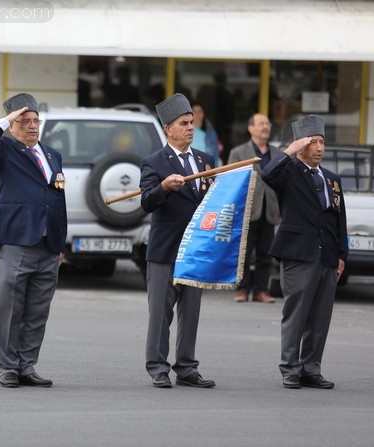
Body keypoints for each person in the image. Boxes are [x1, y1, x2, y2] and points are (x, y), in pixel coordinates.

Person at [0, 93, 67, 389]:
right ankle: (7, 367)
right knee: (9, 309)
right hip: (15, 240)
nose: (31, 126)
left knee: (38, 311)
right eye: (24, 121)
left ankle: (27, 365)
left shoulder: (52, 155)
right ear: (13, 125)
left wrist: (60, 242)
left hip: (47, 243)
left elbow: (57, 198)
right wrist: (6, 120)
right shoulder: (4, 150)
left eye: (35, 120)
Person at [261, 115, 348, 390]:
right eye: (313, 142)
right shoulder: (289, 172)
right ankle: (290, 368)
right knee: (296, 314)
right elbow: (267, 174)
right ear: (300, 146)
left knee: (320, 317)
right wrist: (289, 150)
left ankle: (311, 368)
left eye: (322, 142)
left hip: (327, 255)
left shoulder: (332, 179)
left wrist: (342, 254)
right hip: (298, 254)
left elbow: (339, 218)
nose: (320, 148)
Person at [139, 93, 216, 389]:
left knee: (191, 312)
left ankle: (186, 367)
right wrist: (163, 188)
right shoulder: (154, 162)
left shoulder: (204, 161)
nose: (190, 128)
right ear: (168, 128)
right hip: (165, 250)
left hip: (195, 251)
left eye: (192, 122)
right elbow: (146, 202)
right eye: (184, 123)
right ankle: (158, 366)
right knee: (160, 313)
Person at [228, 113, 281, 303]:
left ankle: (261, 291)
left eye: (267, 123)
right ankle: (242, 290)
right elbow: (231, 182)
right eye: (261, 124)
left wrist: (281, 211)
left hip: (269, 211)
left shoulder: (278, 154)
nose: (265, 127)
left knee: (265, 254)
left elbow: (283, 185)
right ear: (250, 128)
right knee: (243, 253)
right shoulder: (238, 153)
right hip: (246, 210)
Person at [191, 101, 221, 166]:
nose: (197, 114)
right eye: (194, 111)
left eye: (200, 111)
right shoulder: (184, 131)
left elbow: (215, 155)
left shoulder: (211, 133)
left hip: (206, 168)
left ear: (204, 113)